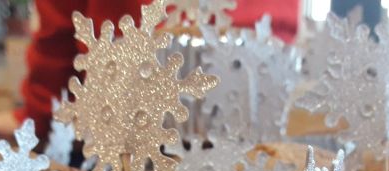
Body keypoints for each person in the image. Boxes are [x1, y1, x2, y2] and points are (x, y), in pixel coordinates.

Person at [17, 0, 300, 139]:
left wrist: (39, 125)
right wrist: (40, 126)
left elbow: (56, 50)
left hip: (254, 153)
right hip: (121, 155)